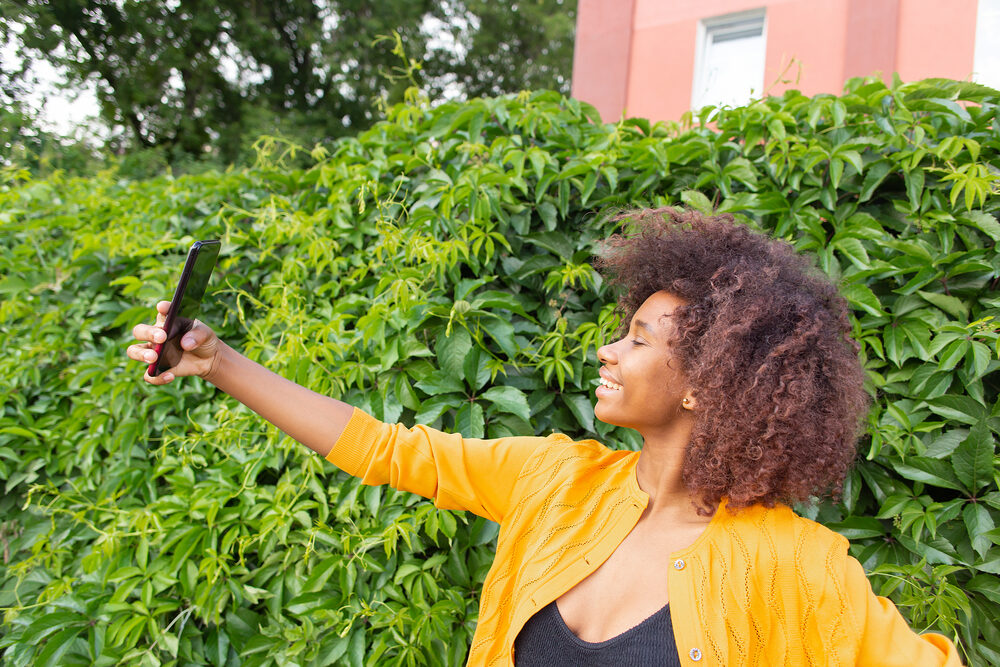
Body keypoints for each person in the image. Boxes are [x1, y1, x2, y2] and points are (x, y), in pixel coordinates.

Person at [127, 208, 963, 666]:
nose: (608, 349)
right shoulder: (556, 480)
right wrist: (220, 360)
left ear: (709, 382)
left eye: (639, 337)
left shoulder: (796, 566)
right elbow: (382, 447)